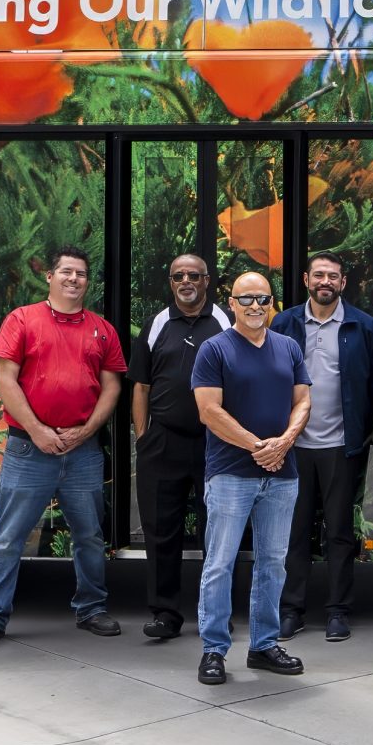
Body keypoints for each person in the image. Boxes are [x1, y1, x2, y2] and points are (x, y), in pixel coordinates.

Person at [0, 247, 126, 651]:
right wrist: (38, 430)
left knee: (89, 537)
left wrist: (86, 430)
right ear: (50, 277)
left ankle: (91, 609)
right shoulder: (22, 320)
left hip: (83, 451)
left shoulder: (102, 329)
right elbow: (6, 381)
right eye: (66, 272)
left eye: (81, 274)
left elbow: (112, 387)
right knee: (8, 538)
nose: (74, 279)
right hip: (28, 449)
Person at [188, 272, 311, 686]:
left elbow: (303, 399)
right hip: (230, 474)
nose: (256, 306)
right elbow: (209, 410)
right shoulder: (214, 349)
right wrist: (259, 446)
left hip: (282, 474)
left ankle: (263, 645)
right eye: (247, 299)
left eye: (263, 298)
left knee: (273, 563)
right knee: (220, 563)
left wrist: (286, 441)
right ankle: (213, 650)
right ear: (231, 303)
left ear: (272, 303)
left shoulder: (288, 347)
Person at [270, 252, 373, 643]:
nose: (325, 281)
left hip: (340, 446)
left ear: (343, 283)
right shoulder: (284, 323)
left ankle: (338, 611)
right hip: (293, 445)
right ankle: (291, 610)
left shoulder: (364, 327)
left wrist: (361, 432)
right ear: (306, 278)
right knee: (294, 531)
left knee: (339, 532)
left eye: (332, 276)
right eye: (319, 274)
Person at [128, 253, 229, 641]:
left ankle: (214, 614)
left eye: (194, 275)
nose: (186, 281)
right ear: (171, 282)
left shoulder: (225, 322)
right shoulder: (156, 325)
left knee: (216, 531)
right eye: (178, 276)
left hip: (214, 443)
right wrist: (143, 436)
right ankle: (165, 614)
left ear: (207, 280)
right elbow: (140, 386)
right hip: (163, 442)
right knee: (160, 530)